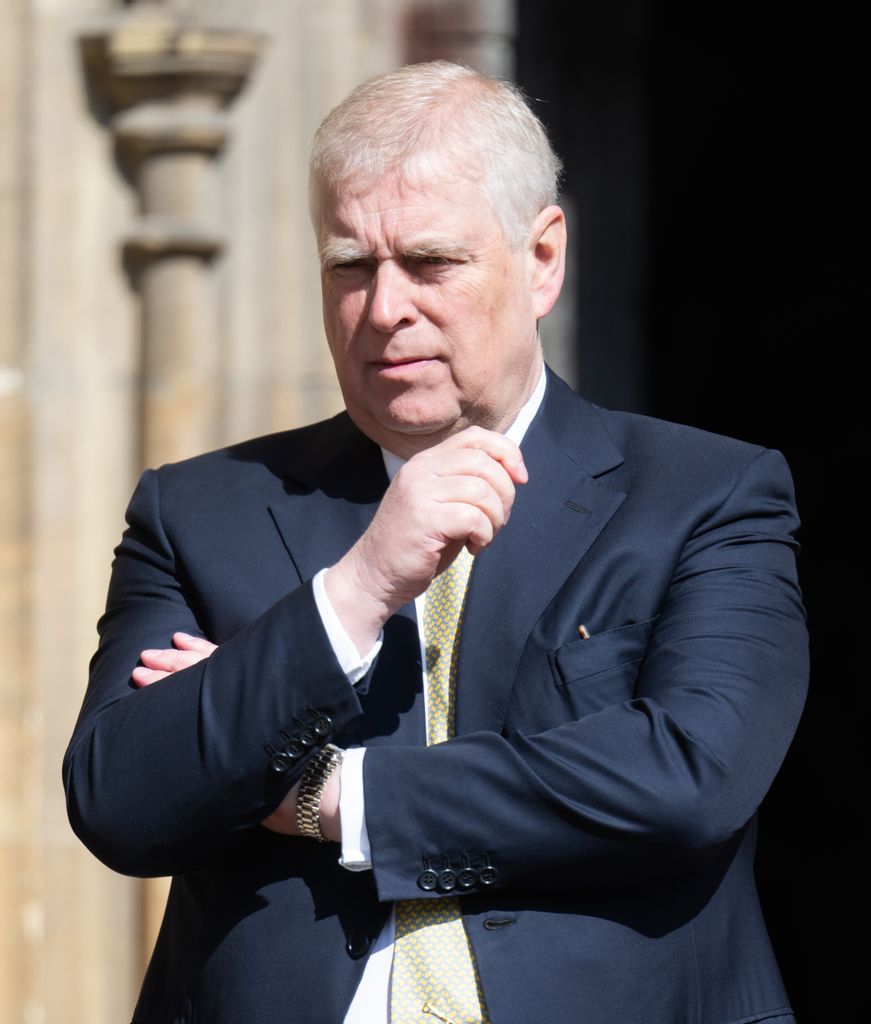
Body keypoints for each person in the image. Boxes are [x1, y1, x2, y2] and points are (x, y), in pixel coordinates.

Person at [63, 60, 808, 1024]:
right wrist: (357, 588)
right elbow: (122, 799)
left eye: (430, 263)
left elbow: (685, 778)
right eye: (349, 265)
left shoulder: (703, 495)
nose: (384, 310)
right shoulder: (202, 510)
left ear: (541, 260)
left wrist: (336, 798)